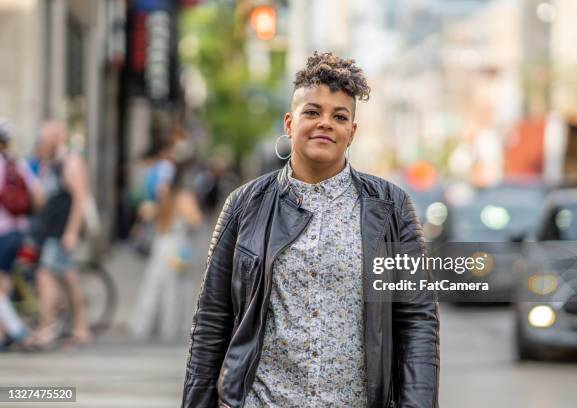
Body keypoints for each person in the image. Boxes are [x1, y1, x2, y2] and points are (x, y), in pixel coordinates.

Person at [181, 52, 439, 407]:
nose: (325, 123)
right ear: (289, 123)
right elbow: (212, 320)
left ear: (352, 131)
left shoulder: (392, 208)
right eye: (312, 112)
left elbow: (416, 323)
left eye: (339, 116)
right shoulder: (244, 206)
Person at [31, 121, 91, 347]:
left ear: (56, 137)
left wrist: (72, 232)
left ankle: (47, 326)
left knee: (46, 276)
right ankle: (80, 327)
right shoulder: (51, 163)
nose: (41, 143)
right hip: (52, 230)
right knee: (68, 280)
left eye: (45, 138)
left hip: (61, 232)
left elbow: (80, 198)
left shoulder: (70, 162)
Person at [129, 166, 203, 341]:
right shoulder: (183, 197)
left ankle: (147, 324)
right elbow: (195, 221)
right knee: (174, 287)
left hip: (161, 244)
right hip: (176, 247)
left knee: (154, 285)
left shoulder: (163, 197)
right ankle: (171, 325)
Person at [0, 121, 43, 349]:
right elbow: (38, 196)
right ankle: (3, 336)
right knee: (3, 286)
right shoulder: (18, 164)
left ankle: (20, 333)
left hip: (1, 233)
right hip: (19, 231)